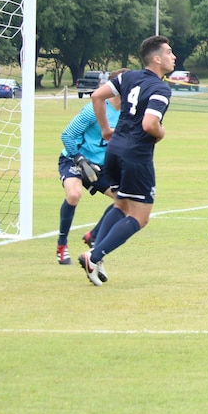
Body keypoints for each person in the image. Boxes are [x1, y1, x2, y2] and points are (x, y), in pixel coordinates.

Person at [78, 36, 176, 286]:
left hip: (115, 150)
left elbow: (96, 96)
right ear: (157, 59)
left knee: (121, 205)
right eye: (168, 52)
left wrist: (105, 130)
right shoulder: (161, 88)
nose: (173, 56)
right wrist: (161, 132)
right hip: (136, 156)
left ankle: (96, 256)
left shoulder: (128, 77)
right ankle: (94, 255)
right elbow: (150, 124)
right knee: (140, 217)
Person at [55, 68, 128, 266]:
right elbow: (67, 135)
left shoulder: (128, 113)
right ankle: (62, 244)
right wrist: (79, 159)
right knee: (74, 195)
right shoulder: (93, 109)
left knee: (124, 200)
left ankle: (93, 235)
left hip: (101, 166)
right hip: (74, 160)